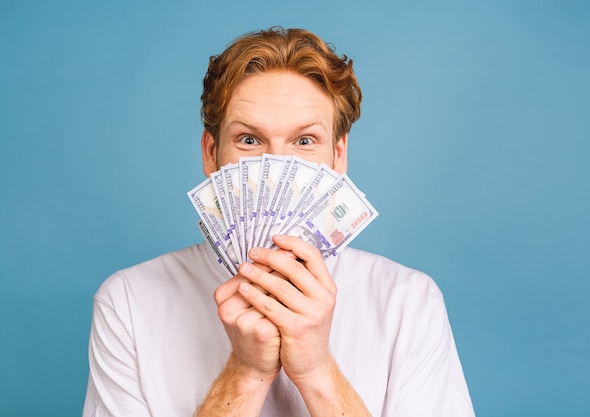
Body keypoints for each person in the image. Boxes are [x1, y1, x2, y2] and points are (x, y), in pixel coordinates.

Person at [83, 27, 475, 417]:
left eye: (304, 141)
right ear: (210, 153)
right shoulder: (128, 303)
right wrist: (245, 371)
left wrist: (317, 369)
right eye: (249, 140)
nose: (276, 169)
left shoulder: (410, 302)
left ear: (338, 157)